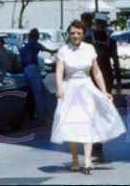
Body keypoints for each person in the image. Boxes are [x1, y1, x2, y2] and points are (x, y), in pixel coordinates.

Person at [50, 20, 125, 174]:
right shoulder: (63, 50)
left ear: (83, 34)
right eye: (72, 33)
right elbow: (59, 72)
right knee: (69, 124)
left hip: (87, 88)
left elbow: (96, 72)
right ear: (69, 34)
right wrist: (59, 88)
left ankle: (88, 159)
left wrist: (104, 91)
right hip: (70, 88)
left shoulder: (89, 49)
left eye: (78, 33)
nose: (75, 36)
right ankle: (75, 157)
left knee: (88, 123)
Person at [85, 13, 121, 162]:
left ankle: (97, 137)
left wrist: (119, 80)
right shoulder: (106, 40)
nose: (99, 27)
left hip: (101, 78)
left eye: (100, 24)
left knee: (98, 109)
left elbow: (115, 60)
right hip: (98, 78)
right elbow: (115, 61)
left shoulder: (93, 39)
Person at [19, 28, 54, 123]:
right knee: (38, 94)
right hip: (32, 68)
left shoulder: (26, 45)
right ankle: (42, 116)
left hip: (27, 69)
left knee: (45, 93)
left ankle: (49, 114)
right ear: (37, 36)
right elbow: (49, 50)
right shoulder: (34, 43)